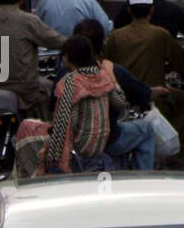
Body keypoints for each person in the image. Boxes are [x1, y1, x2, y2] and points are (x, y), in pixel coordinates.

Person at [103, 0, 184, 167]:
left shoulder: (115, 36)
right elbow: (181, 60)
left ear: (129, 11)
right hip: (153, 96)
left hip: (121, 97)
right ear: (151, 10)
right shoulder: (159, 34)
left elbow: (106, 63)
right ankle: (180, 154)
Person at [13, 35, 129, 178]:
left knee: (26, 127)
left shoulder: (70, 81)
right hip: (96, 147)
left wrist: (52, 161)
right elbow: (121, 103)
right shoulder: (103, 77)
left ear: (67, 58)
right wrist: (111, 76)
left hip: (77, 150)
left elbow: (62, 125)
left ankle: (33, 180)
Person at [72, 19, 158, 171]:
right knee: (146, 130)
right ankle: (144, 180)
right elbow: (122, 101)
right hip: (109, 140)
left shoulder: (64, 75)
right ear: (101, 44)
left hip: (75, 142)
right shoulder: (109, 71)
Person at [0, 0, 66, 116]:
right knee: (49, 87)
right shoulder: (28, 20)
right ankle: (43, 132)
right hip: (22, 90)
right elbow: (57, 41)